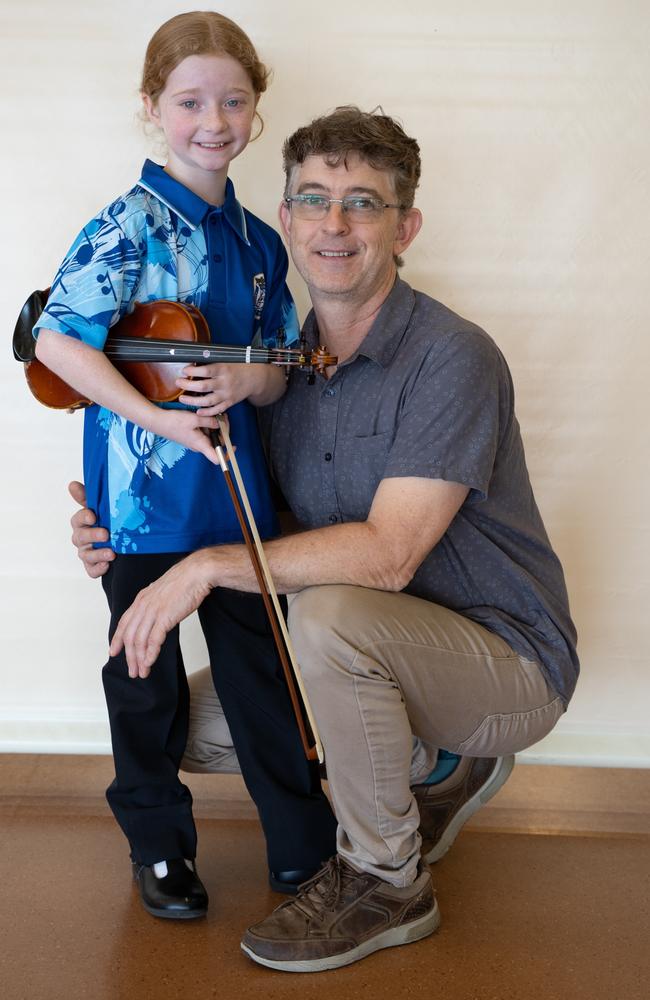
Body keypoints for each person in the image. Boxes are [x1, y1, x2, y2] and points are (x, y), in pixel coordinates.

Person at [72, 106, 578, 971]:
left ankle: (387, 881)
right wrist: (122, 532)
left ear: (405, 226)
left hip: (505, 663)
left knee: (328, 618)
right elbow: (232, 506)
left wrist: (203, 570)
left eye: (363, 203)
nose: (333, 225)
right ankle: (432, 764)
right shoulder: (274, 375)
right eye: (312, 200)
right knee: (179, 721)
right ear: (287, 220)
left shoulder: (452, 356)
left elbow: (387, 556)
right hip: (366, 659)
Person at [33, 11, 337, 921]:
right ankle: (160, 848)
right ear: (153, 107)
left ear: (255, 109)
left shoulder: (261, 240)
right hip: (140, 500)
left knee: (264, 673)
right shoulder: (124, 224)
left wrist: (246, 385)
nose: (215, 119)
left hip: (240, 496)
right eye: (191, 100)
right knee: (146, 675)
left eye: (234, 100)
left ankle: (301, 845)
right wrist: (160, 421)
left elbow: (282, 375)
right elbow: (58, 342)